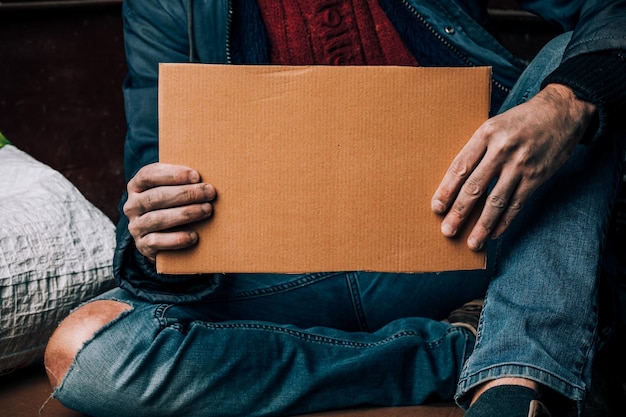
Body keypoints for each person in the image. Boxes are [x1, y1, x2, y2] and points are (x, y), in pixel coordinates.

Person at [44, 1, 626, 416]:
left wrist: (564, 105)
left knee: (576, 74)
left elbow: (612, 12)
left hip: (467, 231)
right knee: (87, 355)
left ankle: (514, 375)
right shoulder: (164, 7)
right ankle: (458, 352)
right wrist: (151, 235)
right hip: (282, 278)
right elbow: (148, 185)